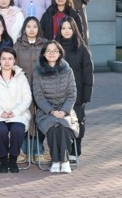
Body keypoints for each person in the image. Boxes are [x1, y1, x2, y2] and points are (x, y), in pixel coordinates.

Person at [32, 41, 79, 173]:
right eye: (48, 51)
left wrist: (64, 111)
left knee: (65, 126)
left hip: (66, 110)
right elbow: (38, 96)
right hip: (46, 111)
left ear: (60, 53)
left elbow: (72, 93)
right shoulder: (37, 72)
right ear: (44, 54)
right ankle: (55, 161)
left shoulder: (68, 71)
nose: (51, 53)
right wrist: (51, 111)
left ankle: (64, 161)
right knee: (52, 127)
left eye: (55, 51)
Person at [0, 47, 31, 174]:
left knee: (17, 130)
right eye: (4, 58)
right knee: (0, 130)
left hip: (17, 114)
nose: (7, 62)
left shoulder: (21, 76)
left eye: (10, 59)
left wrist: (15, 112)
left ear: (14, 60)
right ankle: (3, 159)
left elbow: (27, 98)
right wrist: (0, 112)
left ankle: (13, 159)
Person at [55, 17, 92, 156]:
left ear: (74, 29)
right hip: (59, 92)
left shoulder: (82, 48)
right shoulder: (54, 47)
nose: (66, 31)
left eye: (69, 28)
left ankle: (75, 150)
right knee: (61, 122)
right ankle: (62, 150)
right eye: (63, 28)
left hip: (77, 92)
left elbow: (88, 73)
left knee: (77, 120)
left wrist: (86, 95)